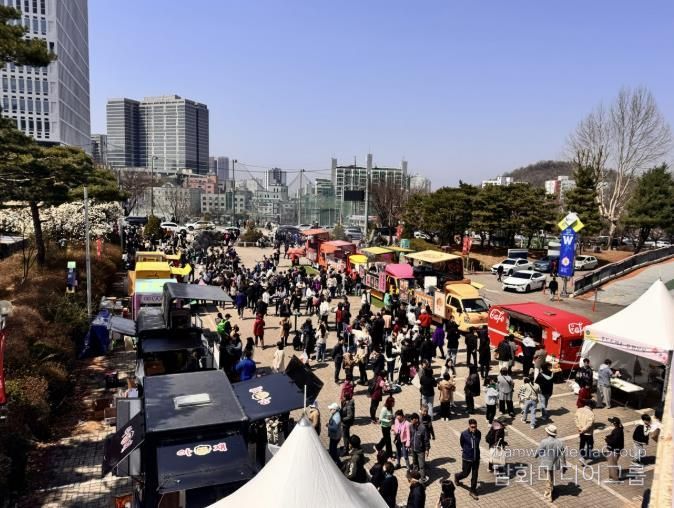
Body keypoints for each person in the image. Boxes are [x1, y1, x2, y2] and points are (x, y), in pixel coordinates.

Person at [536, 424, 567, 501]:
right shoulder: (559, 443)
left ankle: (548, 495)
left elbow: (539, 451)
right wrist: (564, 465)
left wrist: (536, 455)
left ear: (548, 433)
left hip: (546, 462)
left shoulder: (544, 441)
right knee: (550, 475)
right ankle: (551, 487)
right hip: (554, 462)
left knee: (548, 478)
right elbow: (562, 455)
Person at [455, 418, 481, 500]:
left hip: (476, 458)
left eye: (475, 427)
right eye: (472, 427)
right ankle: (457, 477)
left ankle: (472, 490)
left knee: (475, 475)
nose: (474, 429)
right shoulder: (464, 434)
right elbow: (462, 443)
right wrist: (467, 450)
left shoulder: (479, 433)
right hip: (467, 458)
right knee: (465, 473)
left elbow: (477, 443)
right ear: (469, 426)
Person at [409, 413, 430, 483]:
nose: (411, 421)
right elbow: (411, 437)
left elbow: (426, 440)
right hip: (413, 449)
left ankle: (423, 479)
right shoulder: (411, 426)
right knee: (415, 464)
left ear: (416, 419)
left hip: (421, 451)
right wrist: (410, 446)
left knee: (421, 466)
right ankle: (415, 477)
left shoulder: (423, 428)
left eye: (412, 420)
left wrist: (427, 449)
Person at [575, 400, 595, 465]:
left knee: (582, 444)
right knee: (590, 444)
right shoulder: (591, 413)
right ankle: (586, 456)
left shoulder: (579, 410)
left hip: (581, 432)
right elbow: (590, 424)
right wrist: (583, 430)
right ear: (590, 405)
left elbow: (576, 419)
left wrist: (580, 428)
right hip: (588, 433)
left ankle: (582, 456)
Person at [604, 416, 624, 481]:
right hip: (617, 449)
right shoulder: (619, 429)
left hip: (614, 450)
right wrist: (609, 436)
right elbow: (615, 437)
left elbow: (614, 442)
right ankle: (612, 476)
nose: (611, 423)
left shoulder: (617, 431)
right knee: (612, 463)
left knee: (612, 464)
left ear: (614, 423)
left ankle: (615, 478)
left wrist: (607, 440)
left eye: (612, 422)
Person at [340, 389, 355, 456]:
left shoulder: (349, 406)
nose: (342, 397)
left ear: (346, 397)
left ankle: (346, 450)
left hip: (346, 423)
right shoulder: (346, 402)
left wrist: (342, 419)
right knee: (346, 435)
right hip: (345, 422)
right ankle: (347, 445)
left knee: (345, 436)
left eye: (343, 396)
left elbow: (350, 416)